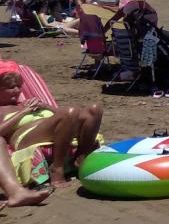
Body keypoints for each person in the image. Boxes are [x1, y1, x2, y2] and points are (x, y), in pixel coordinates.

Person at [0, 61, 103, 189]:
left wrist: (45, 106)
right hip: (25, 136)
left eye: (19, 86)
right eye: (11, 87)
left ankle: (81, 157)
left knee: (94, 110)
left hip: (54, 128)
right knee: (70, 111)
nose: (17, 90)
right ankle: (57, 168)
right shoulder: (2, 110)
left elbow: (67, 117)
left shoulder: (26, 102)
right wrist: (23, 112)